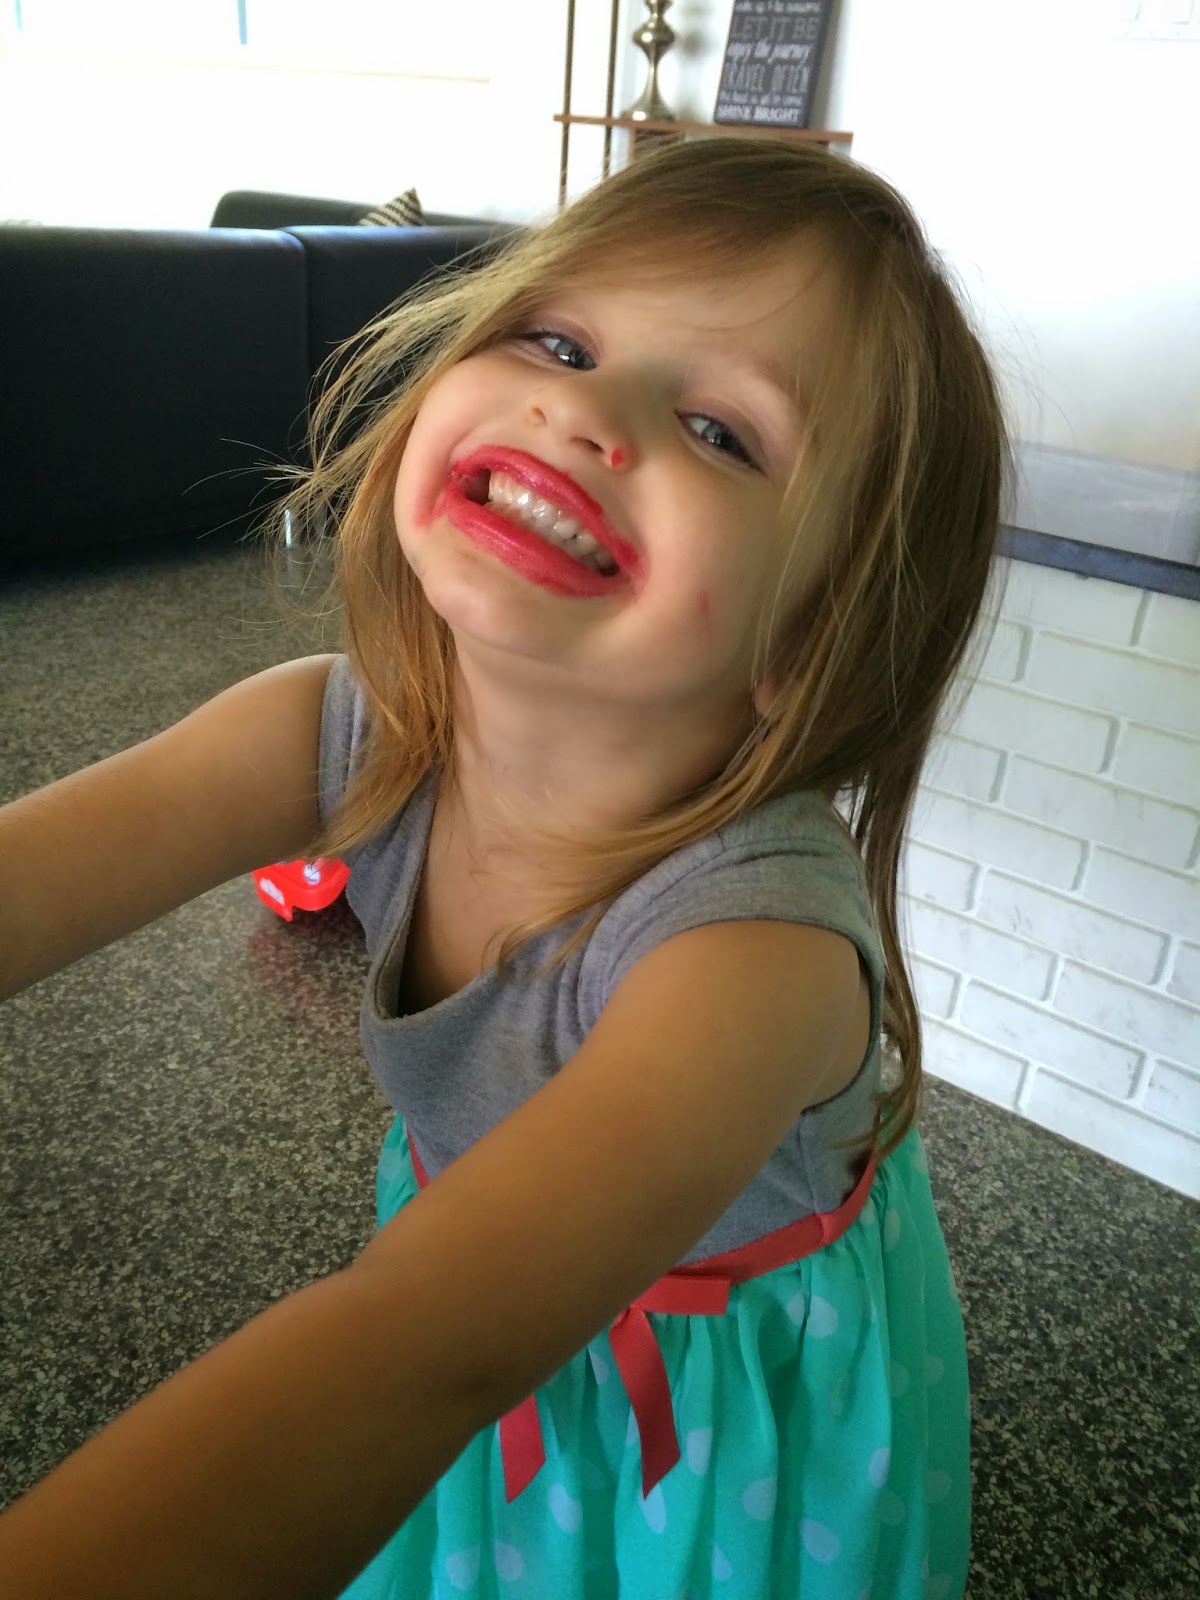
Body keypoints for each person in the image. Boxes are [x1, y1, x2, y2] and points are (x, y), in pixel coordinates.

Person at [0, 135, 1008, 1600]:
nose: (582, 408)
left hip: (713, 1411)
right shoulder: (332, 733)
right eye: (559, 339)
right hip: (478, 1288)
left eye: (720, 430)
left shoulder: (755, 959)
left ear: (814, 637)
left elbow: (420, 1349)